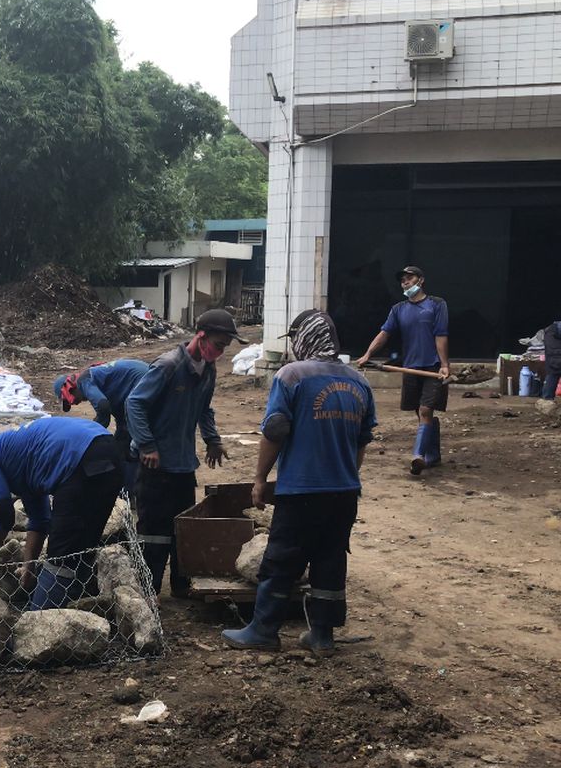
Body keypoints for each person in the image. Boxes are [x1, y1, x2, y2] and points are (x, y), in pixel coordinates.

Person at [223, 310, 377, 655]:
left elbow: (275, 429)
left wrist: (260, 478)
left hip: (302, 489)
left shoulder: (292, 376)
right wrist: (347, 476)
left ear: (304, 338)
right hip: (344, 491)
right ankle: (322, 636)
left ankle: (263, 630)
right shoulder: (359, 381)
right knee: (330, 559)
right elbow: (361, 441)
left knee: (282, 559)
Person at [125, 308, 243, 597]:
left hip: (182, 464)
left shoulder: (208, 369)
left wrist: (213, 440)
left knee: (183, 528)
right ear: (200, 337)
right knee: (153, 531)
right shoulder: (169, 365)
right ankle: (148, 591)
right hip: (155, 465)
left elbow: (204, 408)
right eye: (217, 345)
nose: (220, 352)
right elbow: (134, 404)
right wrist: (147, 445)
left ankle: (181, 586)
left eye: (224, 348)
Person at [0, 417, 124, 610]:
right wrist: (29, 566)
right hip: (109, 449)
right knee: (82, 543)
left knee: (61, 554)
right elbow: (40, 519)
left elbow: (2, 512)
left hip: (80, 459)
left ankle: (40, 621)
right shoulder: (18, 456)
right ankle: (78, 607)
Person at [355, 266, 449, 475]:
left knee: (425, 410)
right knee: (420, 411)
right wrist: (368, 354)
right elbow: (384, 333)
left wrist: (444, 365)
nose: (405, 282)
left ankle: (418, 456)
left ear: (421, 280)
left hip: (433, 367)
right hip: (411, 367)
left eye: (410, 278)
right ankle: (433, 454)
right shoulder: (398, 309)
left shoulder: (436, 304)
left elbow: (441, 334)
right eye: (403, 280)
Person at [53, 359, 149, 496]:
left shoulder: (83, 381)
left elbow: (103, 406)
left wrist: (92, 433)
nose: (78, 402)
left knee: (130, 448)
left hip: (141, 381)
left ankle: (130, 491)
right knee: (122, 443)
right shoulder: (99, 381)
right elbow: (118, 414)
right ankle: (130, 490)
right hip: (139, 381)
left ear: (70, 387)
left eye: (74, 400)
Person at [544, 320, 561, 401]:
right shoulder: (551, 332)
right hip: (554, 356)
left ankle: (547, 401)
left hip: (553, 360)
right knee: (552, 374)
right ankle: (547, 400)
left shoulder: (550, 332)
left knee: (552, 374)